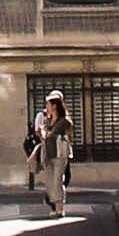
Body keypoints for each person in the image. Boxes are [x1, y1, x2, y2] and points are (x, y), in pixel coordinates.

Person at [25, 89, 75, 219]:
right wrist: (43, 132)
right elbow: (44, 136)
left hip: (59, 154)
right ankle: (55, 205)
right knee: (49, 182)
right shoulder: (48, 120)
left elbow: (50, 135)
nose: (46, 107)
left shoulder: (64, 121)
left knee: (57, 180)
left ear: (54, 106)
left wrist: (43, 132)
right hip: (48, 154)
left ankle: (59, 208)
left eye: (48, 104)